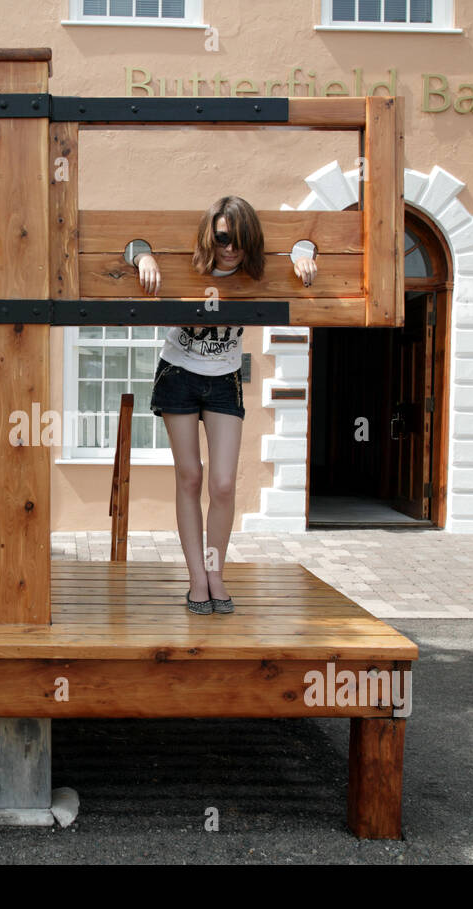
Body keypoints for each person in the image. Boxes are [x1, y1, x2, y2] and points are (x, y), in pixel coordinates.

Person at [129, 195, 317, 614]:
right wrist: (141, 255)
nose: (230, 248)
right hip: (178, 373)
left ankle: (216, 571)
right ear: (209, 236)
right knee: (191, 477)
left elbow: (303, 245)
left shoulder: (257, 272)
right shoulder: (193, 264)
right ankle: (197, 577)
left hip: (224, 379)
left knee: (224, 484)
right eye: (222, 238)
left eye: (239, 239)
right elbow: (131, 245)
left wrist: (304, 252)